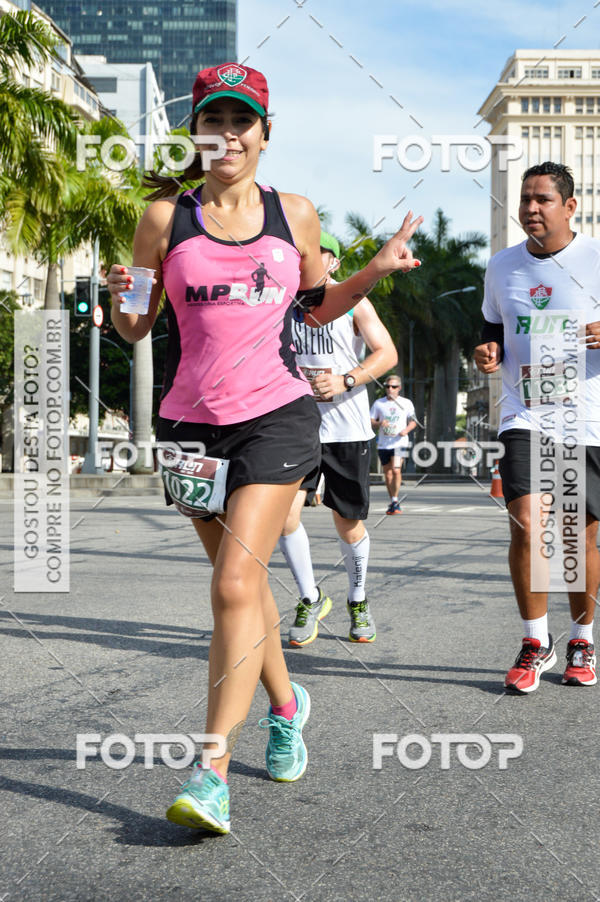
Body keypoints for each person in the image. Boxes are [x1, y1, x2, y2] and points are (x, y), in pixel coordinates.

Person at [107, 62, 423, 833]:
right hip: (188, 425)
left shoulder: (296, 216)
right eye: (214, 120)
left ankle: (211, 770)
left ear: (264, 132)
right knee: (239, 588)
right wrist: (121, 294)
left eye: (242, 121)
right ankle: (287, 707)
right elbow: (134, 328)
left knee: (230, 590)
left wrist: (374, 271)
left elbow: (319, 306)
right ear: (198, 131)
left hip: (278, 418)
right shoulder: (162, 218)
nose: (229, 135)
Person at [474, 161, 600, 693]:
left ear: (570, 207)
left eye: (542, 199)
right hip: (525, 413)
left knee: (577, 542)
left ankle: (582, 638)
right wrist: (485, 351)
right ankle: (534, 640)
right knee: (528, 522)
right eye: (525, 199)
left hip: (587, 416)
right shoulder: (502, 266)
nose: (530, 208)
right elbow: (489, 329)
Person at [279, 231, 398, 646]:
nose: (304, 264)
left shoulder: (353, 302)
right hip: (295, 427)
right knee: (284, 516)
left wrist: (346, 380)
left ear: (332, 263)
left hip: (347, 430)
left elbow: (387, 353)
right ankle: (310, 597)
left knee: (348, 524)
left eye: (316, 256)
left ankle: (357, 599)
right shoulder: (282, 305)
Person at [370, 377, 417, 514]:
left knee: (396, 470)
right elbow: (371, 420)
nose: (390, 389)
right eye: (388, 386)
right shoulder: (379, 403)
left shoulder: (406, 403)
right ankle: (393, 501)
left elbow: (413, 421)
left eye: (394, 387)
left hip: (399, 442)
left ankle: (395, 500)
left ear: (399, 388)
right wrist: (379, 424)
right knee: (388, 474)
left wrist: (406, 431)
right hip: (384, 444)